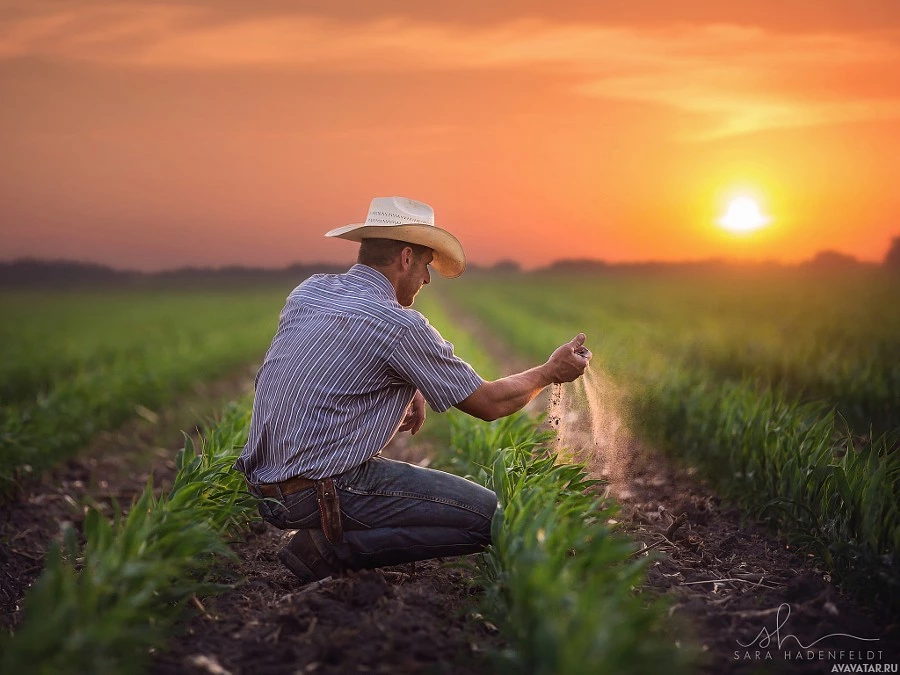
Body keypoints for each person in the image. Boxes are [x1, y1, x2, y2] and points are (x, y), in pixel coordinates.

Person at [234, 196, 591, 583]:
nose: (426, 278)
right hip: (321, 491)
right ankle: (329, 551)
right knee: (495, 520)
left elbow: (340, 359)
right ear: (406, 258)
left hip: (266, 489)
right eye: (425, 264)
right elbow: (489, 403)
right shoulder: (400, 326)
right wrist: (550, 371)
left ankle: (327, 538)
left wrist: (414, 385)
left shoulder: (309, 291)